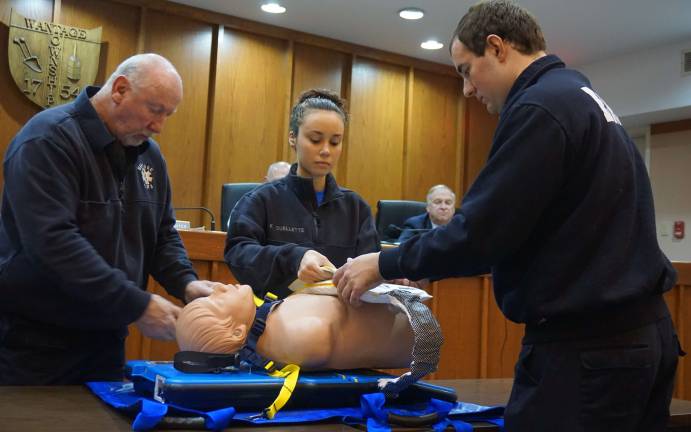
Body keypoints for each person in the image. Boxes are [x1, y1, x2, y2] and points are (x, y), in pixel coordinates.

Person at [334, 1, 681, 431]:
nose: (466, 89)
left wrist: (385, 262)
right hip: (639, 338)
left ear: (496, 48)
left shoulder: (540, 108)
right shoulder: (582, 101)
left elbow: (480, 234)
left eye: (464, 70)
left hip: (589, 351)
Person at [0, 53, 214, 385]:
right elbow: (54, 244)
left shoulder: (149, 155)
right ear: (119, 89)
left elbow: (161, 234)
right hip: (33, 343)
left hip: (106, 339)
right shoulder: (47, 140)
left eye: (168, 115)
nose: (159, 127)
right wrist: (137, 305)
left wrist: (186, 283)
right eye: (155, 110)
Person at [225, 89, 380, 299]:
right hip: (275, 315)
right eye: (315, 140)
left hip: (343, 317)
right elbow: (238, 253)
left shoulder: (356, 207)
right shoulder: (261, 200)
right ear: (292, 138)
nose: (326, 150)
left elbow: (371, 267)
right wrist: (295, 258)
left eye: (335, 142)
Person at [176, 283, 414, 370]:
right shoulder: (291, 337)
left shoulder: (272, 323)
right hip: (409, 329)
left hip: (400, 313)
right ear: (237, 331)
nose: (218, 288)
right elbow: (317, 341)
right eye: (216, 301)